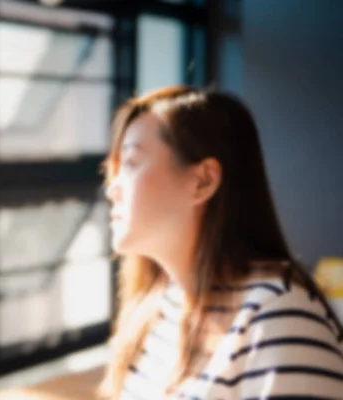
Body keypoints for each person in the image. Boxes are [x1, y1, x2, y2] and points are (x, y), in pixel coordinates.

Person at [100, 86, 343, 399]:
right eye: (114, 170)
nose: (112, 189)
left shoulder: (278, 319)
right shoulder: (160, 305)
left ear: (203, 181)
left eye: (131, 162)